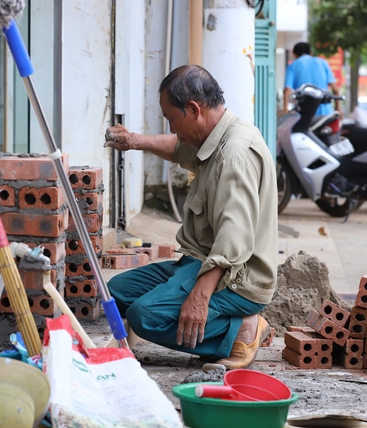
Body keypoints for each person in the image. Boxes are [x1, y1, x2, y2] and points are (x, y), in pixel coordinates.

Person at [103, 65, 277, 370]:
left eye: (172, 119)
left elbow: (233, 241)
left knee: (146, 317)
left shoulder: (234, 154)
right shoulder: (215, 135)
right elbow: (177, 147)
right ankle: (224, 321)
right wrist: (134, 141)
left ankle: (243, 329)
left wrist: (199, 296)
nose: (172, 129)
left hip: (236, 279)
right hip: (199, 261)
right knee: (114, 293)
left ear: (194, 109)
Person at [283, 42, 342, 116]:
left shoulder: (293, 65)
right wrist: (338, 109)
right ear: (310, 53)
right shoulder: (323, 62)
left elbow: (287, 90)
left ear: (295, 55)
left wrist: (285, 112)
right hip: (325, 113)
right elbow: (335, 89)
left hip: (304, 114)